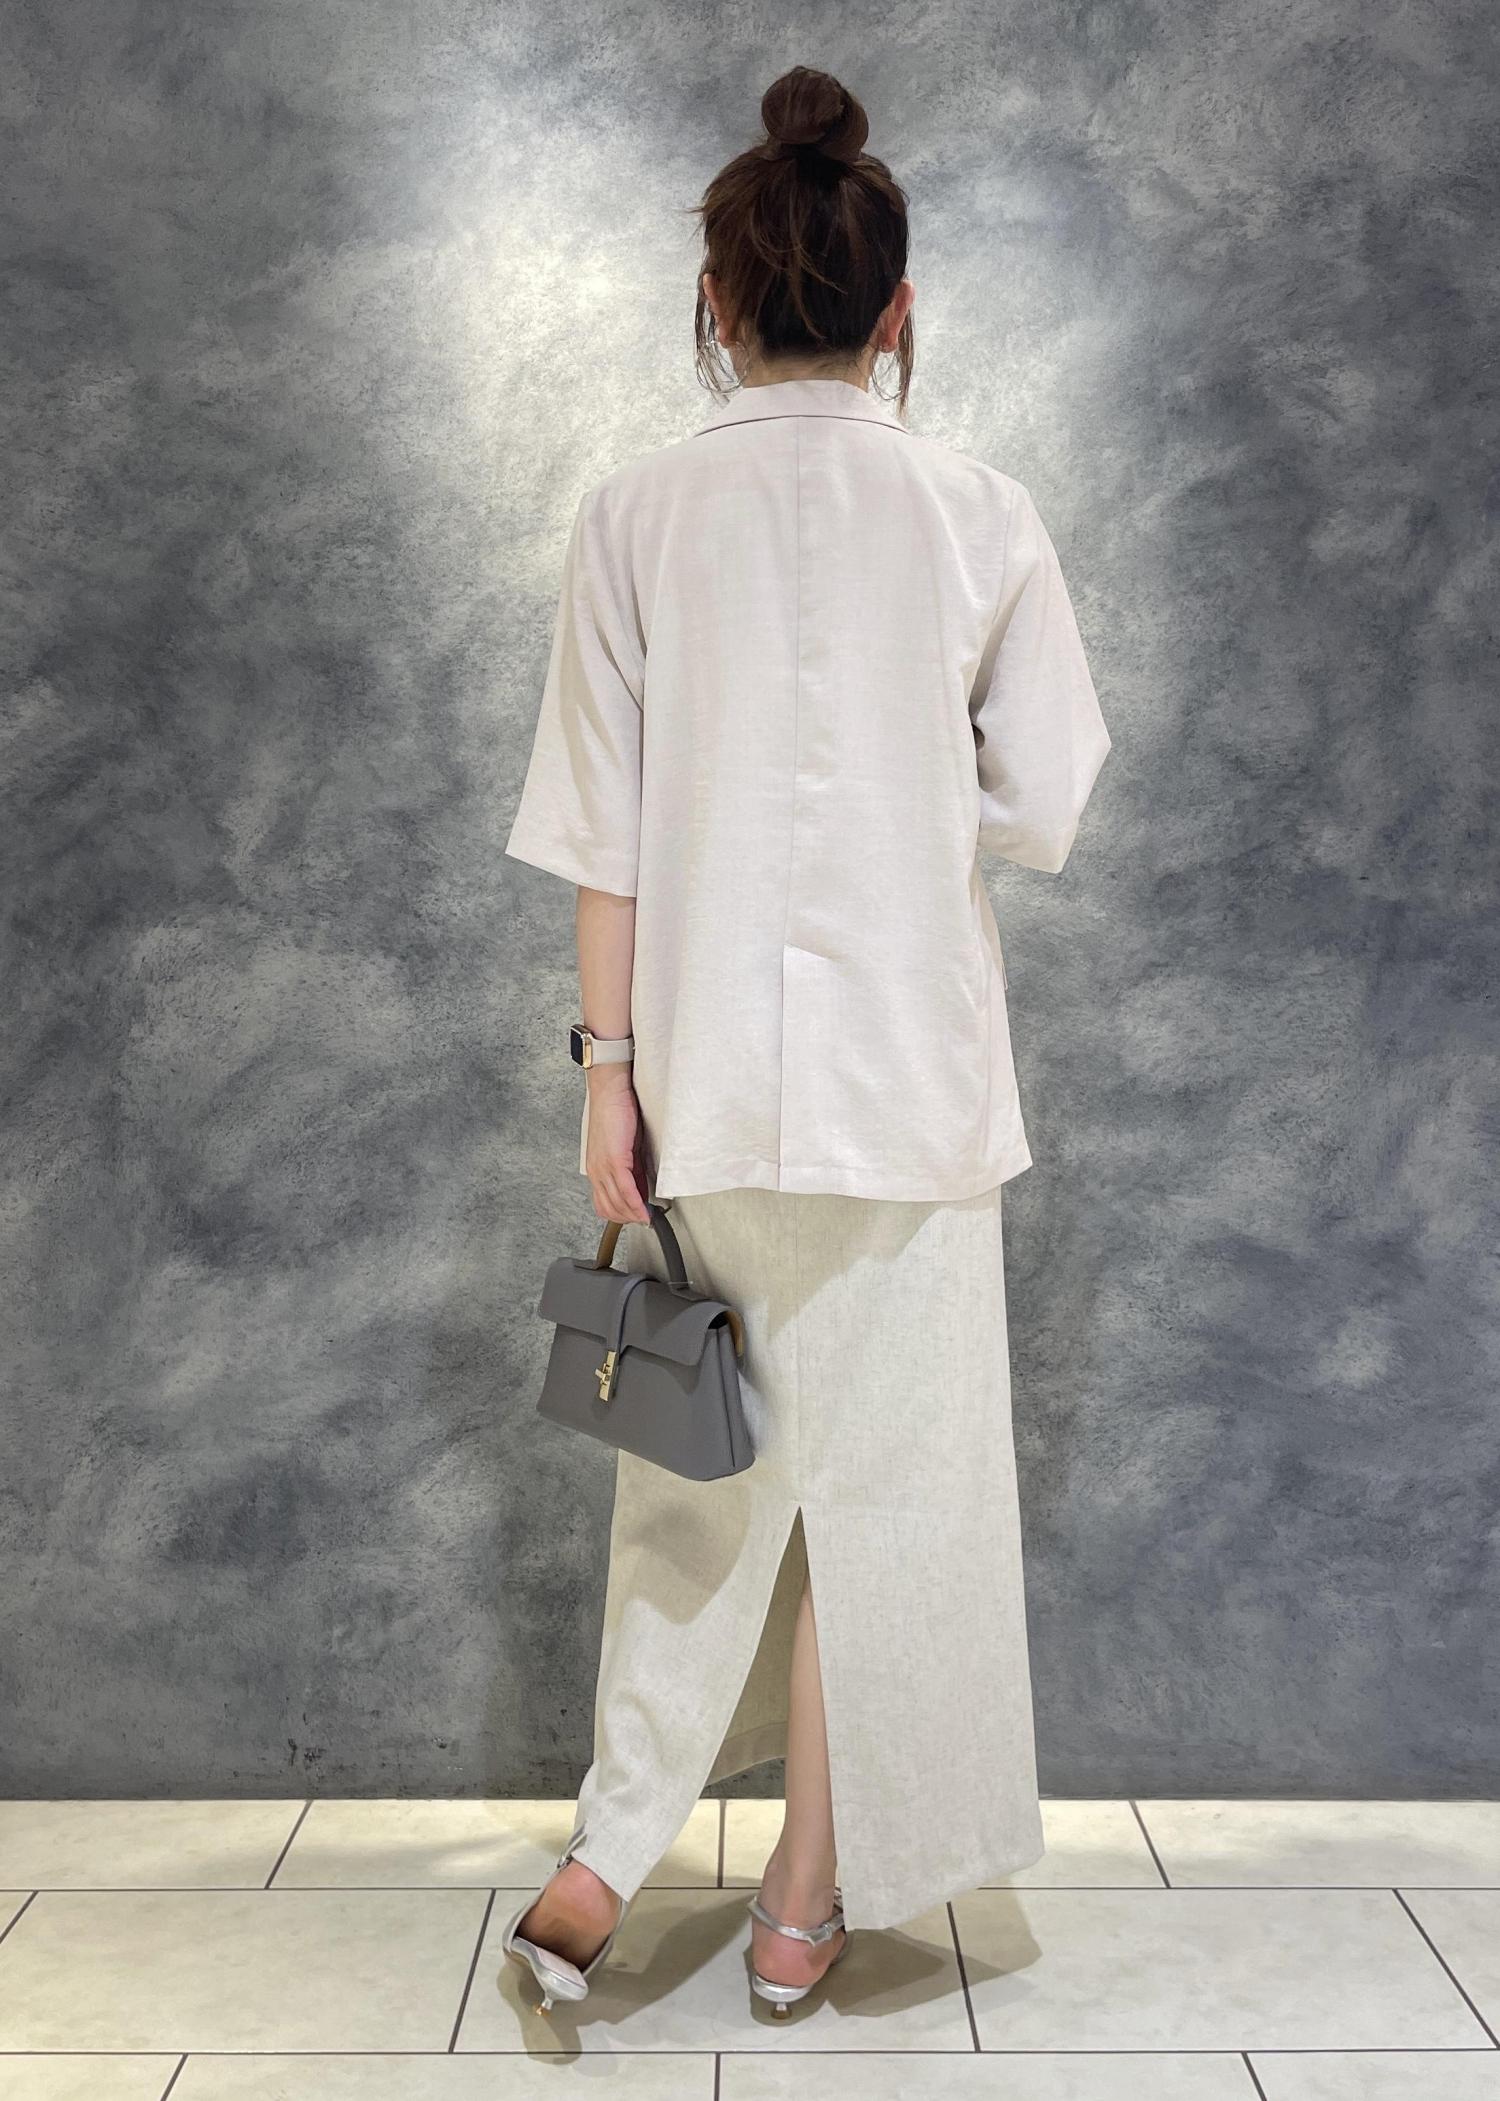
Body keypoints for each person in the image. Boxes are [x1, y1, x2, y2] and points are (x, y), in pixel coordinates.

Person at [500, 63, 1111, 2018]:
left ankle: (606, 1856)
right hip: (912, 1091)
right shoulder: (980, 512)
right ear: (897, 312)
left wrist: (604, 1072)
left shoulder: (633, 513)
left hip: (693, 1087)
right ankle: (798, 1906)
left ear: (717, 303)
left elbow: (600, 829)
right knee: (887, 1497)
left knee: (691, 1475)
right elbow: (1047, 798)